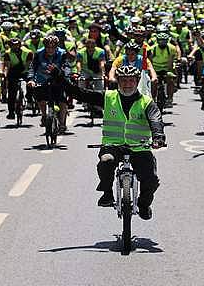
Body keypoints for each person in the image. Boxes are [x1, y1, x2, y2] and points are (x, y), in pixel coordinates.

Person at [61, 65, 165, 220]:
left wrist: (158, 137)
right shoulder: (108, 97)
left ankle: (143, 205)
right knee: (106, 161)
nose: (127, 84)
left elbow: (156, 121)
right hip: (112, 145)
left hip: (139, 147)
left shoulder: (146, 102)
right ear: (118, 81)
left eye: (131, 80)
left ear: (137, 82)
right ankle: (107, 193)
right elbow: (80, 94)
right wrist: (59, 79)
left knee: (150, 179)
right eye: (123, 80)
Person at [27, 35, 68, 130]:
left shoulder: (62, 53)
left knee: (63, 100)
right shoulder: (38, 53)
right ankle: (44, 115)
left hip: (58, 79)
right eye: (48, 47)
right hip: (42, 80)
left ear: (56, 47)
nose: (50, 50)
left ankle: (62, 123)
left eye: (53, 47)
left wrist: (66, 76)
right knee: (40, 96)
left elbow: (66, 67)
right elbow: (32, 68)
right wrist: (31, 79)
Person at [3, 37, 34, 120]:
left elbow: (29, 65)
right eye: (12, 45)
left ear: (20, 45)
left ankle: (30, 100)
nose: (15, 47)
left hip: (26, 69)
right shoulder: (7, 54)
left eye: (17, 45)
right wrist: (5, 75)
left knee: (31, 82)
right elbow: (7, 66)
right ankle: (11, 112)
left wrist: (26, 75)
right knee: (11, 91)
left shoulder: (28, 52)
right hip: (14, 71)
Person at [148, 32, 178, 105]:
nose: (162, 42)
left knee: (170, 80)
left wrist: (171, 72)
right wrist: (151, 72)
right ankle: (153, 98)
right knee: (153, 82)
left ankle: (170, 98)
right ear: (157, 41)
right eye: (160, 40)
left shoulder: (172, 48)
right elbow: (150, 61)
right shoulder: (152, 49)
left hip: (166, 68)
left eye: (164, 40)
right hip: (155, 69)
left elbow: (171, 61)